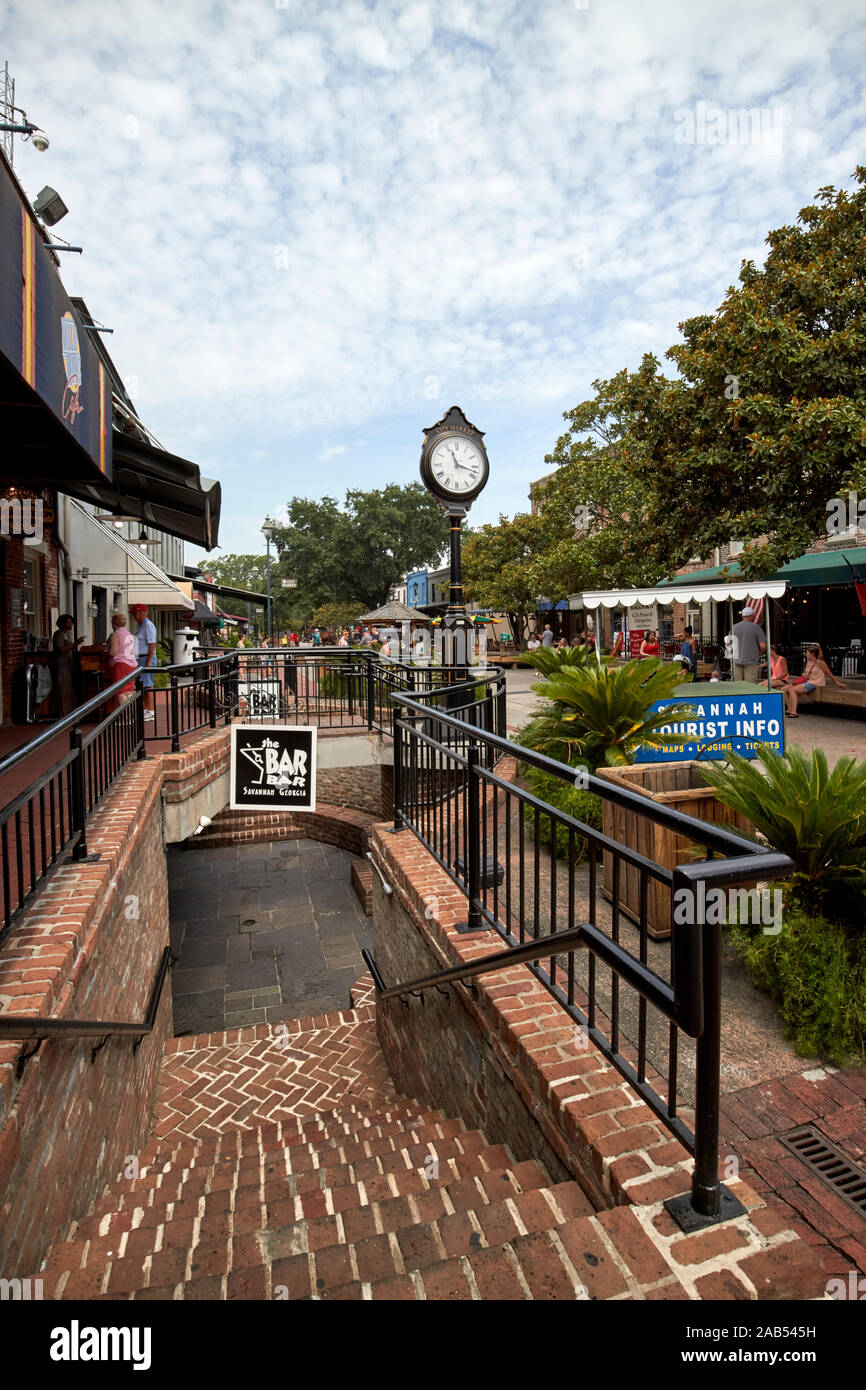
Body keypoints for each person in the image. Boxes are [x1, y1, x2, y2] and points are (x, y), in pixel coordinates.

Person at [781, 643, 845, 717]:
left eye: (807, 653)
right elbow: (805, 673)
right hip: (808, 681)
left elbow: (829, 673)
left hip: (815, 683)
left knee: (793, 690)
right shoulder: (808, 662)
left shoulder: (820, 663)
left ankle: (794, 712)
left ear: (812, 654)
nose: (806, 654)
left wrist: (837, 682)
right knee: (784, 689)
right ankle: (789, 708)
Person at [53, 614, 85, 716]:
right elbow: (61, 649)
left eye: (71, 622)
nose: (70, 624)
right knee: (63, 689)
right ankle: (63, 714)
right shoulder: (59, 634)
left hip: (68, 665)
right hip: (61, 666)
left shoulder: (67, 634)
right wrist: (75, 644)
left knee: (69, 690)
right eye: (68, 622)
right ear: (62, 623)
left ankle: (70, 713)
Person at [130, 605, 157, 721]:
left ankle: (150, 710)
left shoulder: (148, 625)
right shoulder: (141, 625)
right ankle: (147, 709)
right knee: (144, 685)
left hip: (146, 658)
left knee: (148, 684)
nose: (133, 616)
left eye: (134, 614)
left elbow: (152, 644)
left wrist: (149, 662)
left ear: (141, 613)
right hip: (141, 658)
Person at [106, 613, 137, 709]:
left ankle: (124, 717)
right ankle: (130, 716)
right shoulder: (129, 634)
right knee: (129, 690)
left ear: (113, 623)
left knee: (121, 691)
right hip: (132, 664)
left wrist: (107, 652)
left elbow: (113, 652)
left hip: (121, 664)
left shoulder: (116, 635)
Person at [730, 605, 766, 683]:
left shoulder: (734, 627)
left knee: (736, 686)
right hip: (751, 661)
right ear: (752, 615)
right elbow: (762, 646)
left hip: (736, 661)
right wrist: (759, 654)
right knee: (750, 687)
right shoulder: (756, 627)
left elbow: (728, 645)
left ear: (742, 616)